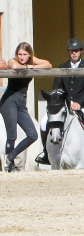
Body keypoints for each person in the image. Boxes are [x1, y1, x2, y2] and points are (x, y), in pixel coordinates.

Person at [36, 38, 84, 166]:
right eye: (71, 51)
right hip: (64, 104)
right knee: (44, 122)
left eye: (76, 51)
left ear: (81, 51)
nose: (74, 53)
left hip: (81, 104)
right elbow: (57, 86)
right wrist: (62, 101)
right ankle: (45, 152)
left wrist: (79, 102)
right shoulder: (62, 67)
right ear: (68, 52)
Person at [2, 43, 49, 171]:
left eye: (24, 54)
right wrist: (27, 66)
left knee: (33, 134)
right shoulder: (14, 61)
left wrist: (32, 65)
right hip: (9, 100)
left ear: (29, 55)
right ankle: (9, 165)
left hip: (22, 102)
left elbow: (48, 65)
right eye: (20, 54)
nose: (22, 57)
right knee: (12, 135)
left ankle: (10, 157)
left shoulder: (31, 61)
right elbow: (15, 66)